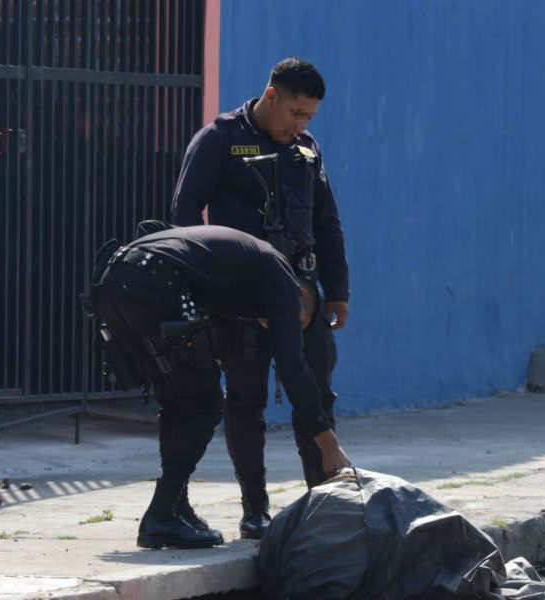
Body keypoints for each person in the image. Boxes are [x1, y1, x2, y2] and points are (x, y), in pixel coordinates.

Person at [170, 57, 350, 539]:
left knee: (315, 393)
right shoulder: (221, 140)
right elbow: (184, 215)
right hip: (241, 302)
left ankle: (321, 502)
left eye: (309, 116)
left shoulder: (307, 151)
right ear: (271, 96)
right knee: (245, 403)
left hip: (303, 298)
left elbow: (327, 222)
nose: (301, 124)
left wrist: (339, 292)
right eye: (295, 112)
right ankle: (255, 510)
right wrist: (213, 283)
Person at [88, 224, 352, 550]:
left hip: (115, 282)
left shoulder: (240, 269)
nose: (282, 327)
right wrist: (329, 445)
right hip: (156, 281)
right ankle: (162, 513)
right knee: (205, 404)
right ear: (302, 295)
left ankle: (174, 508)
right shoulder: (282, 278)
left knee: (178, 400)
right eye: (293, 321)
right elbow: (292, 367)